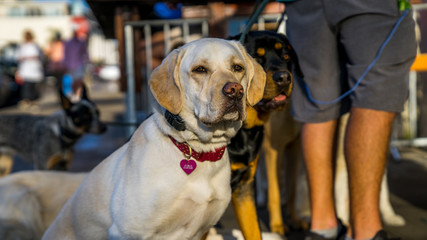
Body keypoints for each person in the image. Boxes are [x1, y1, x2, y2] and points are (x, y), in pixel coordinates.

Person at [284, 0, 417, 239]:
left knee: (317, 105)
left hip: (301, 5)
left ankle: (322, 228)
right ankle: (364, 232)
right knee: (376, 95)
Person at [15, 30, 44, 109]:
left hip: (34, 71)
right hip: (25, 71)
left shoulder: (35, 45)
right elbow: (17, 58)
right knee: (26, 88)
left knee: (33, 88)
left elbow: (39, 56)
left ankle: (33, 102)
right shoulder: (21, 46)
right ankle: (27, 102)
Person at [63, 30, 89, 102]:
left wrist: (88, 61)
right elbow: (65, 54)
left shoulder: (81, 42)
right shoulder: (68, 43)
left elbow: (85, 53)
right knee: (72, 82)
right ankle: (73, 94)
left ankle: (78, 96)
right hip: (70, 65)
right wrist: (65, 64)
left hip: (79, 64)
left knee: (79, 81)